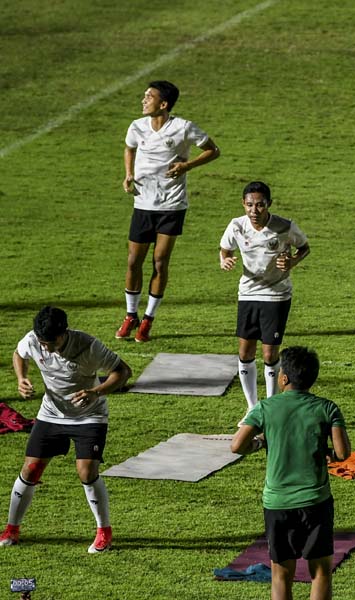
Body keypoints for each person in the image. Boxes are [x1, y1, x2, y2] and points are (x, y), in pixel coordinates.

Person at [0, 307, 132, 552]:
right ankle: (12, 529)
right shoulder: (33, 340)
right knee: (30, 469)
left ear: (64, 333)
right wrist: (21, 378)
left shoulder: (88, 346)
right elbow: (19, 354)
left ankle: (104, 532)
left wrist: (96, 392)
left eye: (51, 343)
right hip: (51, 414)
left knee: (86, 471)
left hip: (89, 415)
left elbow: (123, 371)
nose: (46, 348)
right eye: (42, 343)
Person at [231, 346, 350, 600]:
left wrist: (261, 442)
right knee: (320, 574)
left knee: (280, 576)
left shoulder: (265, 408)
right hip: (316, 502)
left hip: (278, 504)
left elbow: (237, 446)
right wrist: (325, 451)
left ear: (284, 378)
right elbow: (342, 454)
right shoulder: (327, 408)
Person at [116, 80, 221, 342]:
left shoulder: (183, 128)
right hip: (143, 204)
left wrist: (187, 166)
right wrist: (128, 174)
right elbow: (129, 148)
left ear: (163, 104)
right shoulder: (137, 126)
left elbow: (212, 150)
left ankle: (148, 320)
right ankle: (131, 315)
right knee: (133, 262)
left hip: (171, 206)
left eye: (148, 96)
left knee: (160, 262)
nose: (143, 100)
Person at [220, 181, 310, 421]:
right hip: (248, 294)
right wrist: (225, 260)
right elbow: (225, 248)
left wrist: (292, 262)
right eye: (249, 205)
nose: (254, 210)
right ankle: (252, 407)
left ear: (269, 204)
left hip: (276, 295)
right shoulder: (236, 226)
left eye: (260, 205)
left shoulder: (284, 226)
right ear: (243, 204)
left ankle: (270, 407)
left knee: (270, 354)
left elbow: (304, 247)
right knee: (245, 350)